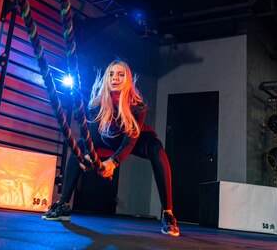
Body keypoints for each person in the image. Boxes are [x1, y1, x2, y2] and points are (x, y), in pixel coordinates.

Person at [42, 60, 180, 237]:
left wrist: (113, 163)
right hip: (109, 140)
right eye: (111, 74)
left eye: (120, 74)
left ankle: (168, 214)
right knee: (81, 147)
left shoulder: (137, 105)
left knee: (158, 150)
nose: (115, 78)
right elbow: (92, 138)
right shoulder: (96, 104)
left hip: (137, 139)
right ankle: (63, 205)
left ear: (128, 79)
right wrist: (89, 158)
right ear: (106, 79)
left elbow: (130, 141)